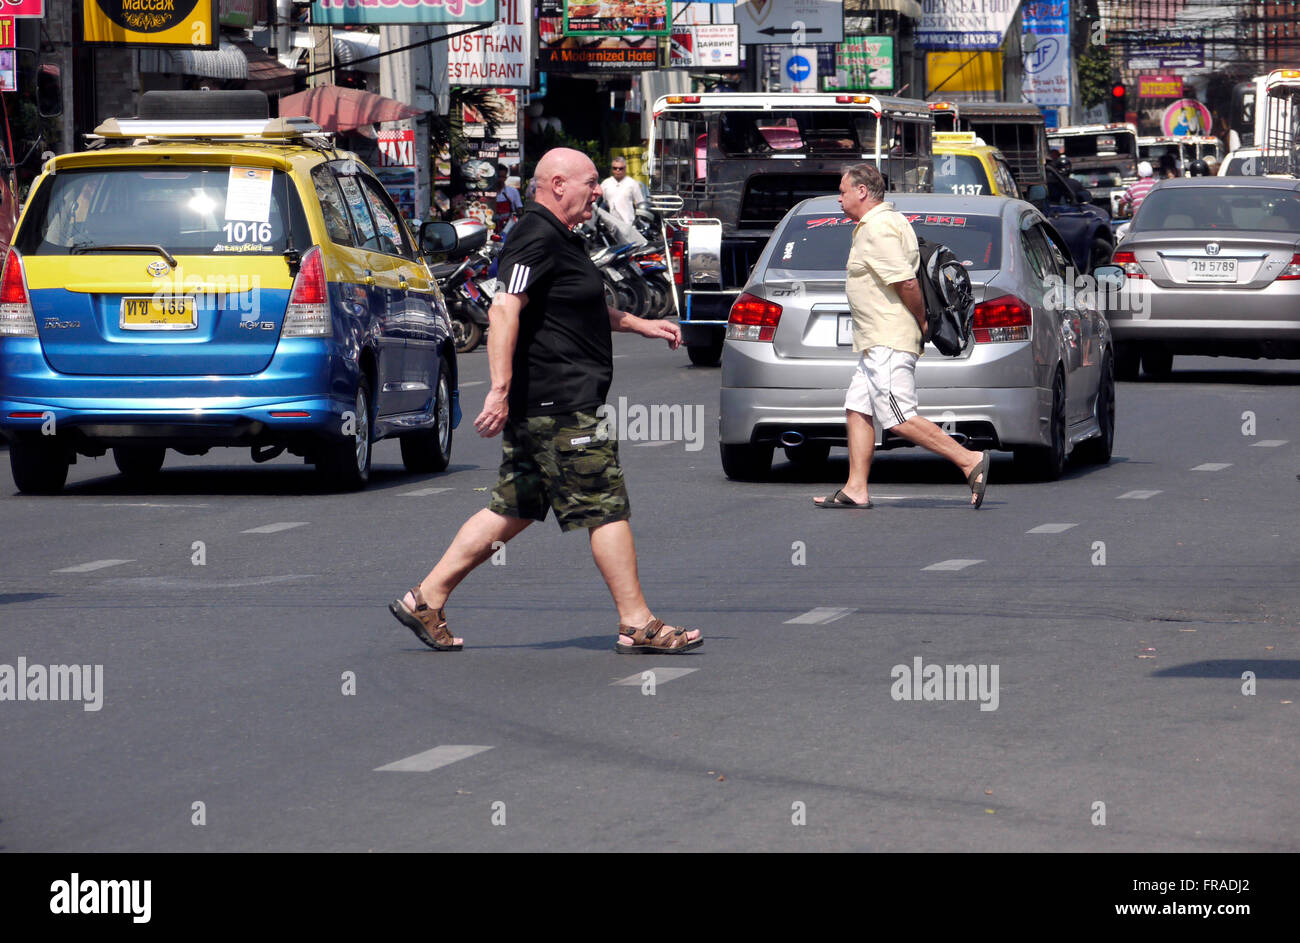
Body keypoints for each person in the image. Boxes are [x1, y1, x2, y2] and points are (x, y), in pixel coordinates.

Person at [389, 147, 702, 654]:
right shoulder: (534, 236)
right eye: (590, 181)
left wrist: (641, 323)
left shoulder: (560, 237)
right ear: (558, 184)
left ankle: (426, 597)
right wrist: (498, 388)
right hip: (560, 404)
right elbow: (505, 309)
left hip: (552, 405)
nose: (598, 190)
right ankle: (636, 620)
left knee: (512, 507)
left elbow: (577, 306)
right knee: (604, 506)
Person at [813, 163, 990, 511]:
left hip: (888, 339)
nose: (839, 198)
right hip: (875, 339)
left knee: (899, 418)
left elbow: (906, 282)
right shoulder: (884, 222)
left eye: (843, 191)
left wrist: (922, 321)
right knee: (858, 408)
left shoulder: (878, 227)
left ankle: (969, 460)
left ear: (862, 192)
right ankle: (856, 488)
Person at [600, 156, 645, 225]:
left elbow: (640, 204)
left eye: (621, 168)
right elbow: (599, 203)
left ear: (625, 168)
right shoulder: (605, 183)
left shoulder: (632, 183)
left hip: (628, 224)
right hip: (609, 226)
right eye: (615, 168)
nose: (617, 170)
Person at [493, 164, 523, 233]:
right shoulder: (488, 193)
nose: (500, 179)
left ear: (506, 177)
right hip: (492, 226)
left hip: (507, 227)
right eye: (498, 177)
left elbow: (519, 209)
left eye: (503, 177)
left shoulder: (513, 191)